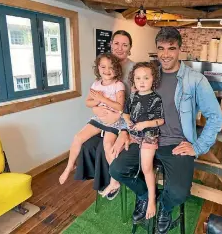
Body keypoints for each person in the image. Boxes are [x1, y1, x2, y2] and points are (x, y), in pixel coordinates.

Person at [109, 27, 222, 234]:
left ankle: (165, 206)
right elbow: (131, 107)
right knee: (116, 169)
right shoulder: (149, 75)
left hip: (175, 143)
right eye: (161, 48)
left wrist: (197, 146)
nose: (166, 54)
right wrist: (124, 131)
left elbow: (216, 117)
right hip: (144, 139)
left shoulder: (195, 80)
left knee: (179, 193)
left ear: (180, 49)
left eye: (171, 48)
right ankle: (144, 196)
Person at [74, 30, 135, 200]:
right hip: (104, 121)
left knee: (103, 148)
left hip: (125, 122)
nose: (120, 48)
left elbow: (136, 102)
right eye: (116, 43)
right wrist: (96, 110)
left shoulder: (134, 69)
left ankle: (115, 181)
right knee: (87, 145)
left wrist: (125, 130)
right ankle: (100, 182)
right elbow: (95, 97)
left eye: (125, 45)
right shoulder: (104, 67)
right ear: (110, 44)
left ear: (130, 49)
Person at [59, 53, 125, 190]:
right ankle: (70, 165)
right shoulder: (96, 84)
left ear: (117, 69)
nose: (107, 70)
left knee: (107, 146)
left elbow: (120, 107)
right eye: (103, 67)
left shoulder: (118, 85)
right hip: (99, 119)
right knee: (78, 137)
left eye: (111, 67)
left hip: (114, 122)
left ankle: (114, 180)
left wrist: (103, 99)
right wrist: (96, 103)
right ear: (98, 68)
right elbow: (88, 102)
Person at [122, 62, 164, 219]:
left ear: (154, 79)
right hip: (133, 135)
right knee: (114, 149)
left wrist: (145, 124)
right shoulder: (132, 96)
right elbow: (125, 113)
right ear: (133, 79)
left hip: (149, 136)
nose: (142, 81)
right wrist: (127, 121)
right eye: (138, 78)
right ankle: (114, 182)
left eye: (146, 78)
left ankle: (151, 199)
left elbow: (161, 121)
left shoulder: (156, 98)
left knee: (147, 168)